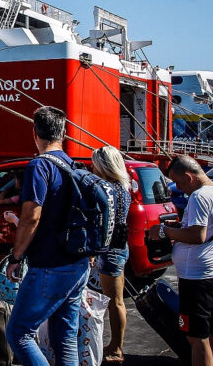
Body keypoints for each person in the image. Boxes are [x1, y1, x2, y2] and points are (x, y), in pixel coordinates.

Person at [4, 106, 91, 366]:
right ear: (63, 133)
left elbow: (31, 216)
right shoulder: (73, 166)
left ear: (35, 133)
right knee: (64, 337)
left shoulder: (39, 167)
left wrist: (16, 256)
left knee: (19, 333)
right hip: (77, 263)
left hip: (50, 265)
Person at [146, 155, 213, 366]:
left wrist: (165, 231)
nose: (178, 187)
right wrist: (177, 230)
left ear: (188, 176)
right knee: (210, 332)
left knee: (196, 336)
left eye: (178, 182)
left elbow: (197, 235)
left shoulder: (199, 196)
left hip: (196, 279)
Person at [88, 146, 132, 363]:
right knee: (116, 301)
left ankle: (116, 348)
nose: (91, 167)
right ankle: (115, 345)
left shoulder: (106, 189)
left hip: (109, 250)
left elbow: (101, 223)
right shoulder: (124, 187)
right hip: (119, 246)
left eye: (95, 163)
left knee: (114, 302)